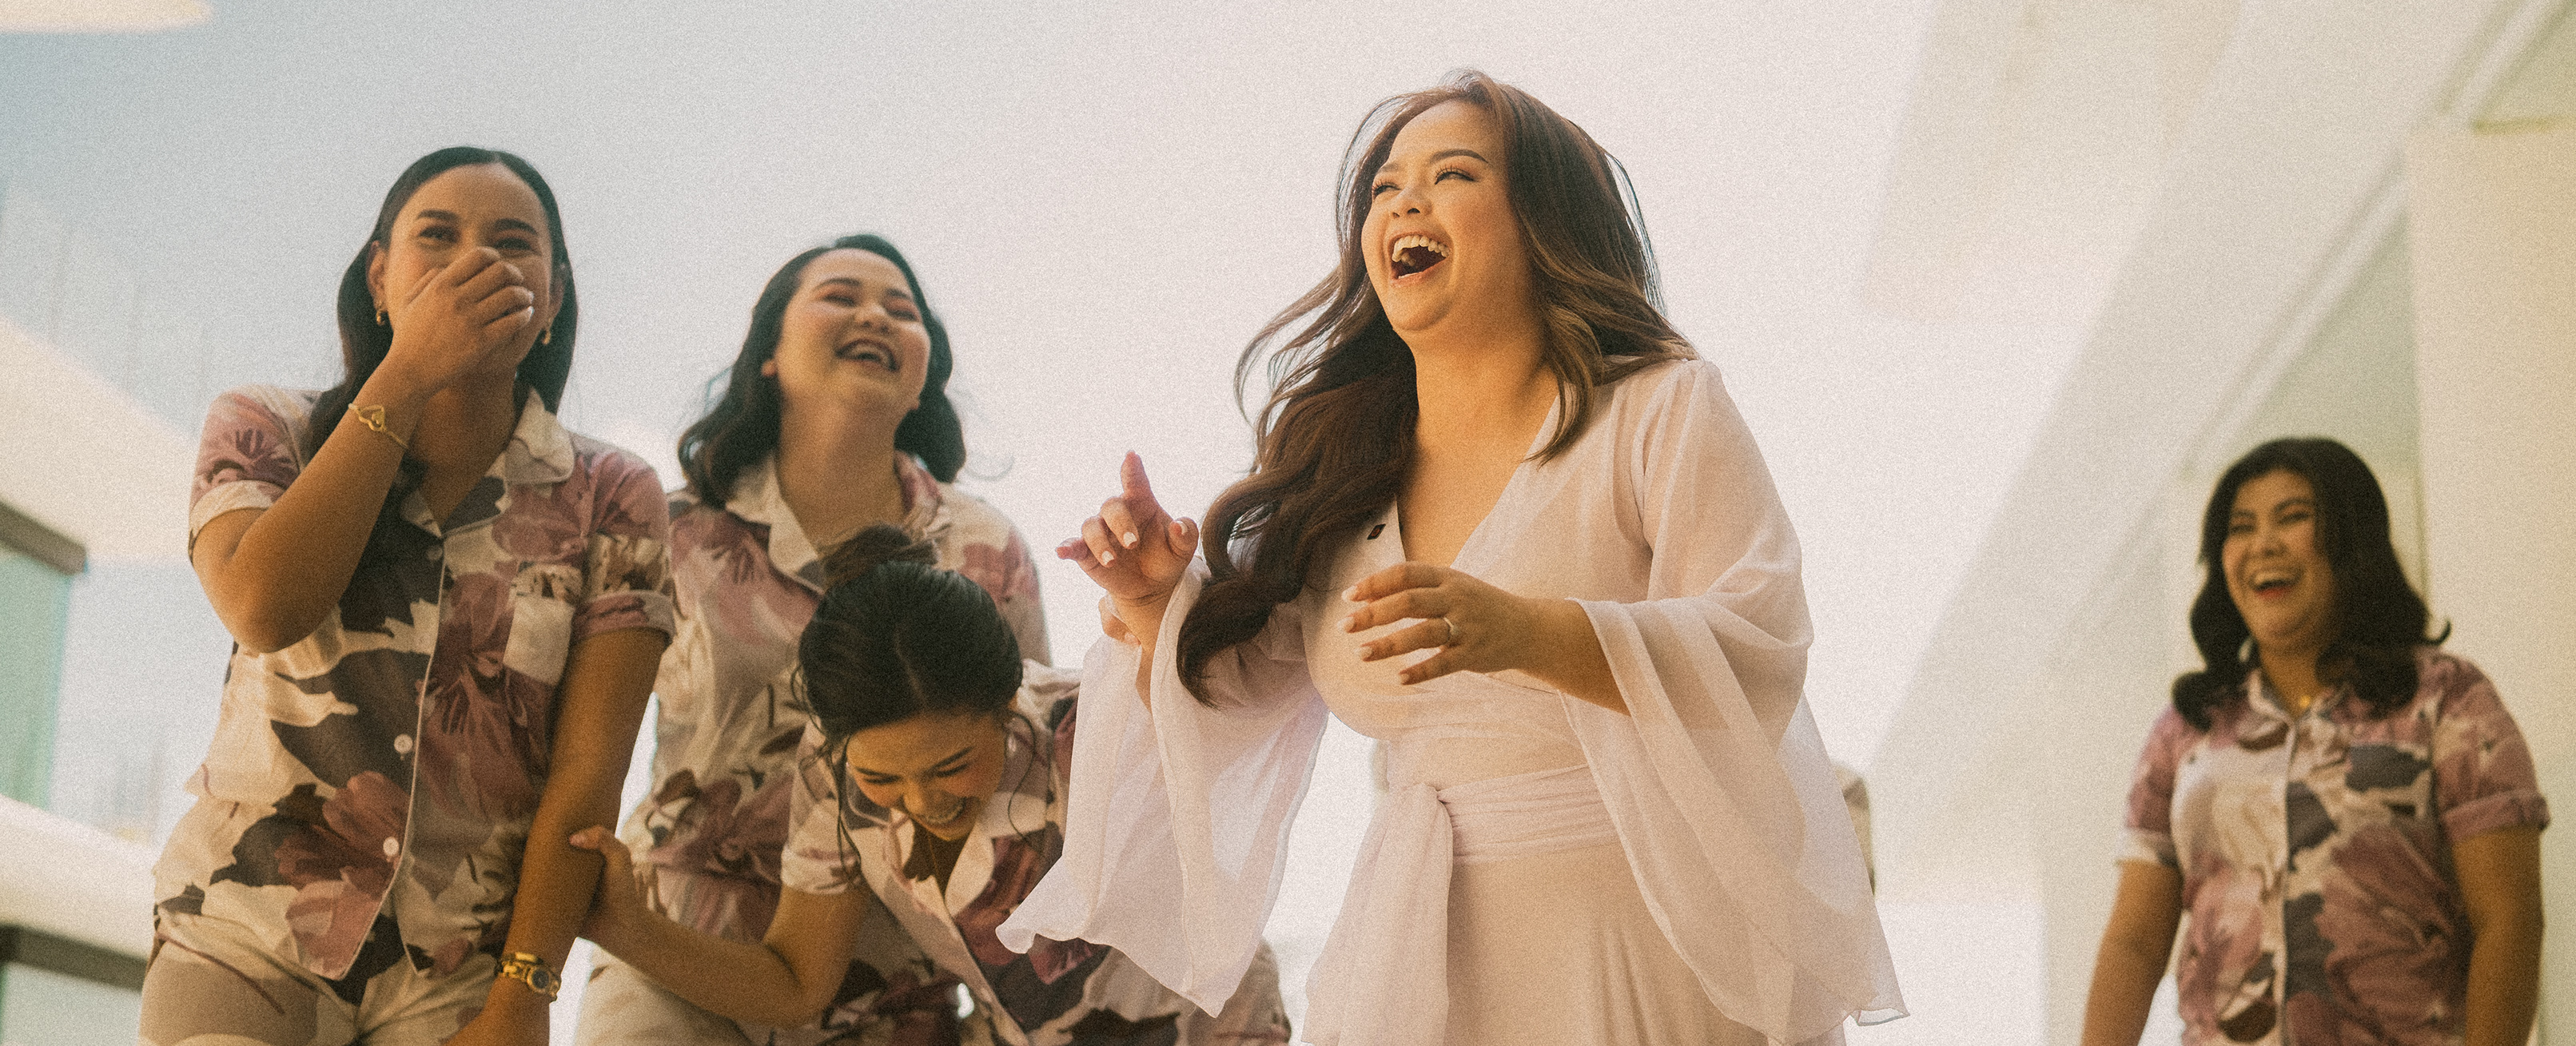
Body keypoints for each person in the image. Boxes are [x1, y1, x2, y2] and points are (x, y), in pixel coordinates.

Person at [1004, 70, 1903, 1046]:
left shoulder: (1658, 408)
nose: (1404, 203)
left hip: (1650, 950)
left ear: (1542, 223)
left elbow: (1760, 642)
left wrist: (1530, 631)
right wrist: (1154, 602)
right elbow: (1235, 698)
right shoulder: (1343, 472)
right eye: (1385, 187)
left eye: (1454, 175)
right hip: (1418, 972)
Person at [571, 234, 1280, 1044]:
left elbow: (1097, 733)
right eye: (840, 295)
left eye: (901, 309)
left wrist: (1150, 608)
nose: (874, 315)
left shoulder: (987, 548)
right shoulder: (673, 532)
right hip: (695, 925)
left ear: (923, 378)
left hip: (911, 973)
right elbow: (586, 737)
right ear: (767, 350)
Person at [145, 146, 675, 1046]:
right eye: (438, 235)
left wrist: (525, 993)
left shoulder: (614, 494)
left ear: (553, 298)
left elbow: (587, 775)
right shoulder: (268, 425)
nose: (477, 259)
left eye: (514, 242)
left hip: (462, 971)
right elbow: (263, 607)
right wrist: (409, 370)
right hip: (246, 929)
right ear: (379, 279)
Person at [568, 527, 1291, 1044]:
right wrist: (624, 926)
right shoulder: (831, 769)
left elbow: (1220, 714)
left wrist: (1160, 603)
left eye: (951, 766)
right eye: (883, 777)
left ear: (1007, 699)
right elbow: (796, 983)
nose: (924, 800)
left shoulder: (1084, 725)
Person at [2081, 437, 2546, 1046]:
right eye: (2241, 527)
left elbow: (2507, 921)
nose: (2263, 544)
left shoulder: (2447, 699)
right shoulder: (2186, 727)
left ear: (2352, 540)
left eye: (2293, 517)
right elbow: (2135, 943)